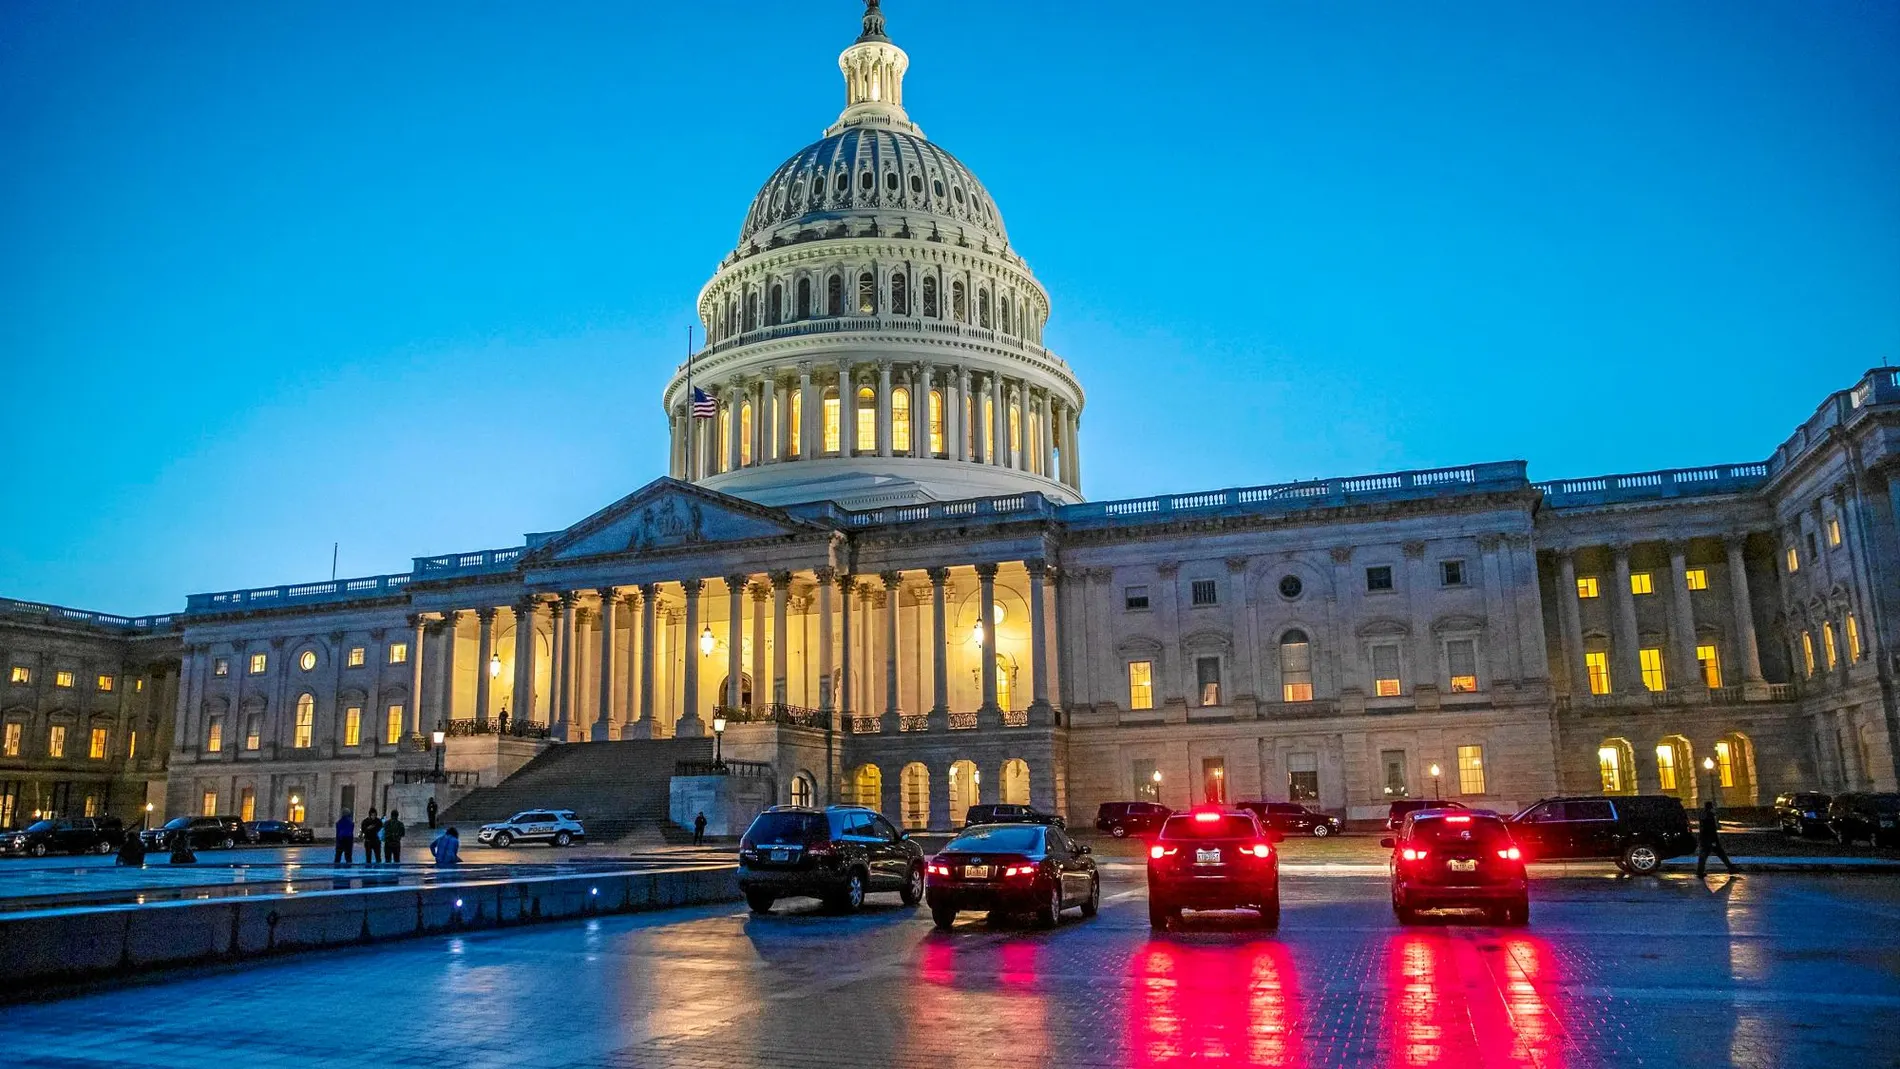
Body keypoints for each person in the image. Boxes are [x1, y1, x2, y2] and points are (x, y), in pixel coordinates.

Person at [1697, 798, 1736, 878]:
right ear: (1710, 807)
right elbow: (1711, 829)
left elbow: (1703, 828)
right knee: (1721, 854)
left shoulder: (1702, 814)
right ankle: (1730, 868)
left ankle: (1700, 871)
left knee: (1703, 856)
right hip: (1711, 839)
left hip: (1704, 839)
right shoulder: (1710, 815)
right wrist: (1714, 840)